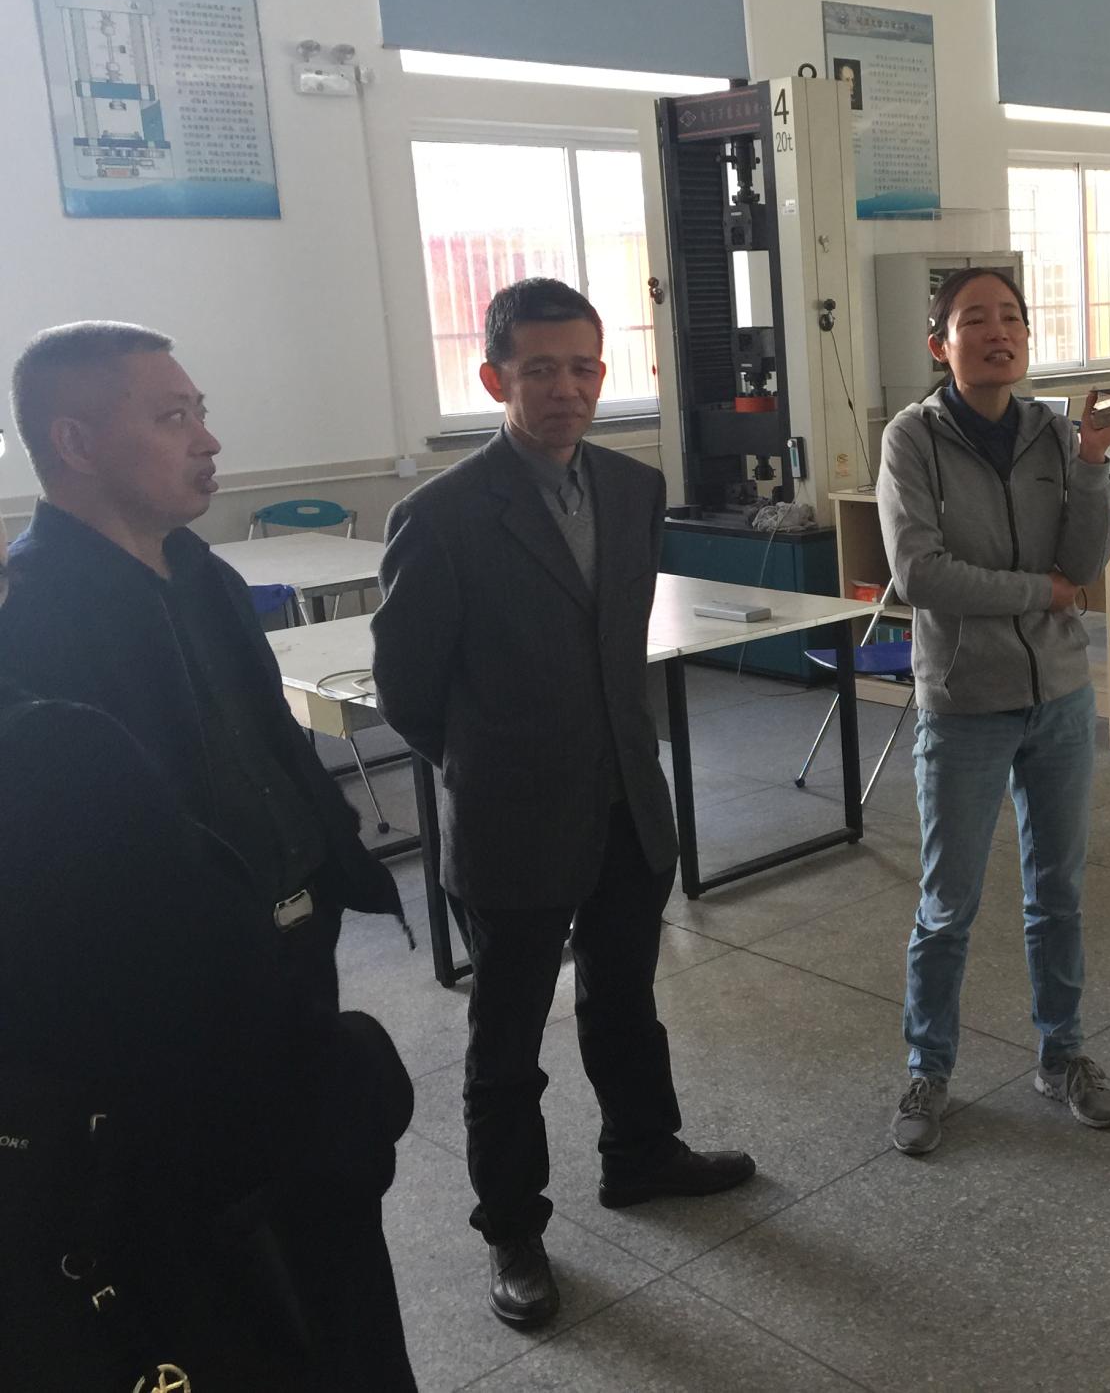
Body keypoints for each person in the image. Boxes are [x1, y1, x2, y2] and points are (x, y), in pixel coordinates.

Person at [0, 323, 420, 1388]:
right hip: (176, 1011)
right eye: (171, 416)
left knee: (337, 1232)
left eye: (200, 411)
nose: (208, 438)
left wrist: (327, 871)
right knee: (235, 1271)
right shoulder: (34, 622)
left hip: (292, 954)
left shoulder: (204, 575)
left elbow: (267, 749)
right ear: (74, 442)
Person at [371, 277, 755, 1330]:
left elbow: (613, 645)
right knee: (506, 1042)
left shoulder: (633, 489)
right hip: (510, 818)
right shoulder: (441, 515)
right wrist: (491, 762)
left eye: (583, 368)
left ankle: (642, 1153)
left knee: (624, 999)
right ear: (494, 377)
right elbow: (407, 688)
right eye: (539, 369)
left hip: (626, 799)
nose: (565, 389)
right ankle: (513, 1229)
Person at [875, 266, 1110, 1156]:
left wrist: (1093, 461)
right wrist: (1039, 591)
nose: (1000, 332)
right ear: (939, 344)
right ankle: (928, 1069)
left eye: (1013, 318)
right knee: (947, 903)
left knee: (1057, 893)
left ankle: (1062, 1056)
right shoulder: (911, 439)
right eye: (976, 320)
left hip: (1059, 697)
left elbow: (1085, 564)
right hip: (965, 703)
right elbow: (920, 574)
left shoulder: (1054, 433)